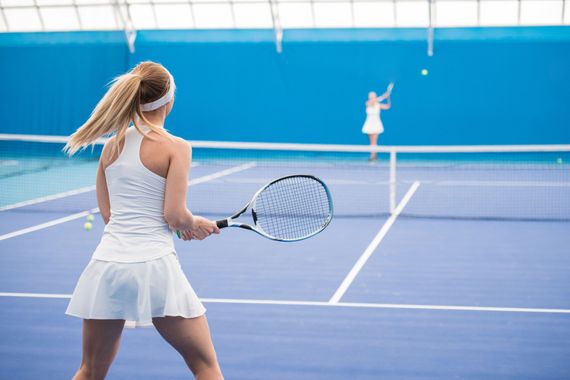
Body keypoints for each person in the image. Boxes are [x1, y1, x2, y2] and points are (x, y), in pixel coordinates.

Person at [64, 61, 223, 380]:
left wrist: (180, 226)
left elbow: (111, 216)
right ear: (169, 100)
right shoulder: (176, 147)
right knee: (205, 367)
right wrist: (193, 223)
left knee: (89, 371)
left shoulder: (111, 146)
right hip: (155, 269)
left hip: (107, 267)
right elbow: (174, 215)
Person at [361, 90, 391, 161]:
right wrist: (383, 96)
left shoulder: (378, 105)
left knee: (374, 142)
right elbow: (373, 101)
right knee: (371, 142)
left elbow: (388, 106)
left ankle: (373, 156)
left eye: (373, 96)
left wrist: (388, 97)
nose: (372, 97)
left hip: (376, 124)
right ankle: (374, 155)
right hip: (369, 124)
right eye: (370, 96)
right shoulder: (367, 103)